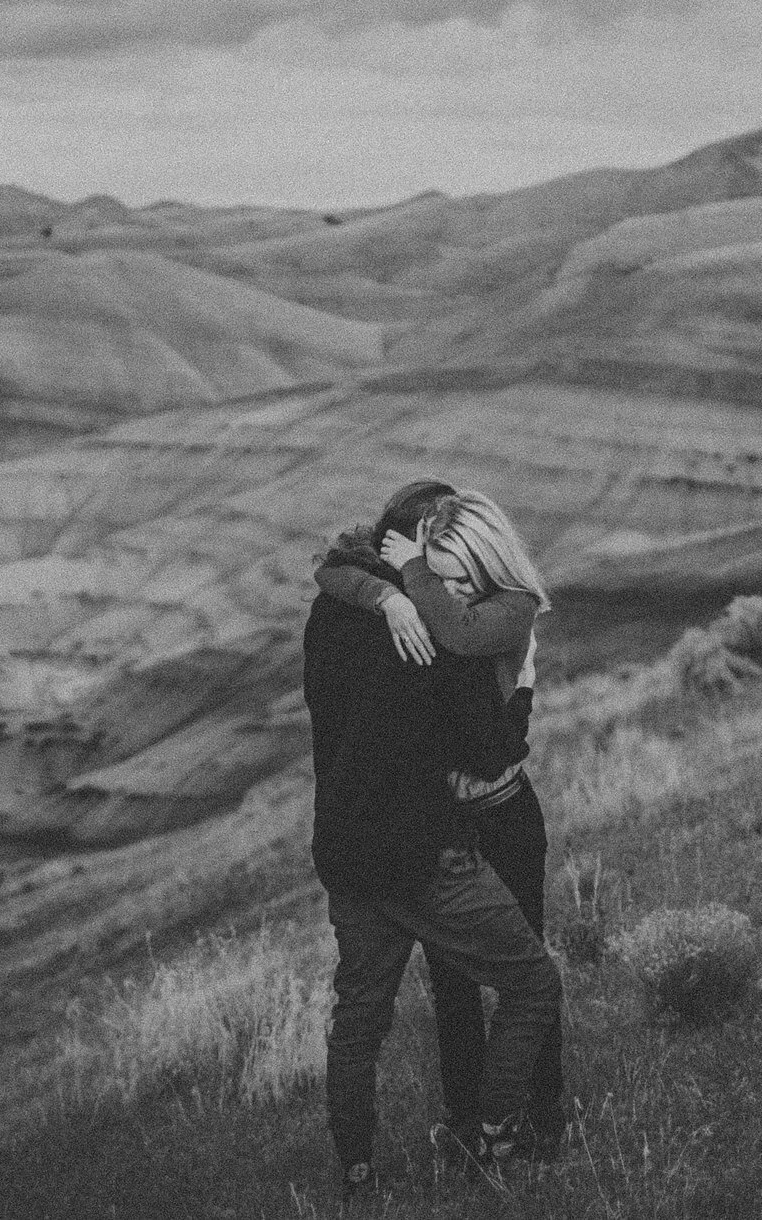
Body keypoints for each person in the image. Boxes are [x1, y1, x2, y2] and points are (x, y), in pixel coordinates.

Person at [304, 480, 562, 1203]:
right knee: (530, 979)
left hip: (344, 850)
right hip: (425, 849)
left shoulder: (331, 613)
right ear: (411, 549)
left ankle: (356, 1169)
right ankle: (501, 1130)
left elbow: (330, 572)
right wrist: (522, 699)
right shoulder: (428, 631)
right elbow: (484, 750)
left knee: (358, 1014)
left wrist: (383, 591)